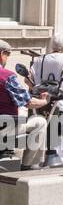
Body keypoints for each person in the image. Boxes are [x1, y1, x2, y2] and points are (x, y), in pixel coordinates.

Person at [27, 34, 63, 167]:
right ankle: (59, 166)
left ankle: (47, 160)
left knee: (46, 133)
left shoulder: (39, 59)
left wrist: (40, 91)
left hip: (43, 104)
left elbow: (27, 79)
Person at [0, 40, 50, 170]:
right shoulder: (7, 76)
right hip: (4, 128)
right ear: (1, 54)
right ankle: (27, 165)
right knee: (40, 122)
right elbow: (28, 102)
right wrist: (44, 101)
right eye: (8, 54)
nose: (7, 58)